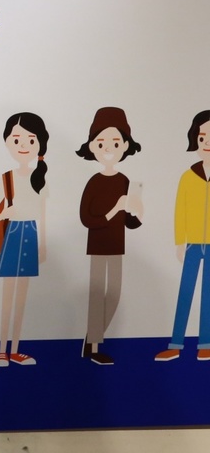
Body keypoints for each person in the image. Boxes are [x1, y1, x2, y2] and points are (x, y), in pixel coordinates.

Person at [76, 106, 143, 365]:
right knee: (97, 297)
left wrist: (137, 211)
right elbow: (87, 219)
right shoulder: (94, 181)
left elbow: (131, 223)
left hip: (117, 246)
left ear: (125, 145)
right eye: (102, 141)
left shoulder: (125, 180)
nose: (108, 147)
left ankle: (90, 340)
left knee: (113, 295)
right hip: (97, 247)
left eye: (116, 142)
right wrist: (115, 208)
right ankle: (93, 347)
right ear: (92, 146)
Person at [0, 112, 49, 367]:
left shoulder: (40, 178)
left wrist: (43, 244)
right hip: (13, 235)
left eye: (31, 140)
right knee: (8, 297)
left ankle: (16, 349)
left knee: (22, 298)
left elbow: (43, 215)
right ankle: (1, 350)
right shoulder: (6, 178)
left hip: (31, 234)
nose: (23, 146)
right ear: (7, 141)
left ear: (40, 144)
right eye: (17, 139)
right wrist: (4, 212)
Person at [155, 109, 210, 362]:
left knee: (208, 293)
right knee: (186, 291)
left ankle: (205, 343)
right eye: (201, 137)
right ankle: (176, 343)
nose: (206, 142)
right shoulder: (188, 177)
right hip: (192, 243)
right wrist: (180, 241)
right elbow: (180, 210)